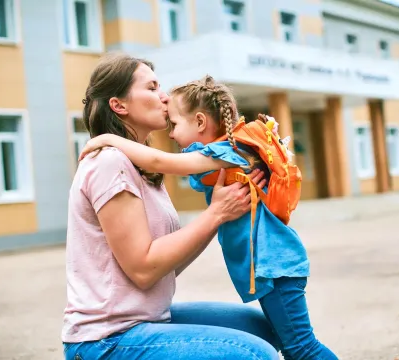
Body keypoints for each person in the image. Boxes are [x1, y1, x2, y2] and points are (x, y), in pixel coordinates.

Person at [79, 75, 339, 360]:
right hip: (274, 265)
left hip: (275, 265)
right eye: (152, 87)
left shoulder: (224, 152)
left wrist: (107, 138)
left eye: (175, 125)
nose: (172, 133)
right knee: (292, 346)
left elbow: (159, 161)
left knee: (302, 347)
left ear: (200, 123)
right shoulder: (227, 155)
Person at [62, 54, 280, 360]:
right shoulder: (110, 162)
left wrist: (223, 212)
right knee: (253, 354)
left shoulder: (140, 167)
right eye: (151, 88)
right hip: (107, 340)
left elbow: (167, 267)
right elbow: (143, 269)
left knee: (268, 329)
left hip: (148, 320)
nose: (165, 97)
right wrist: (216, 213)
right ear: (119, 105)